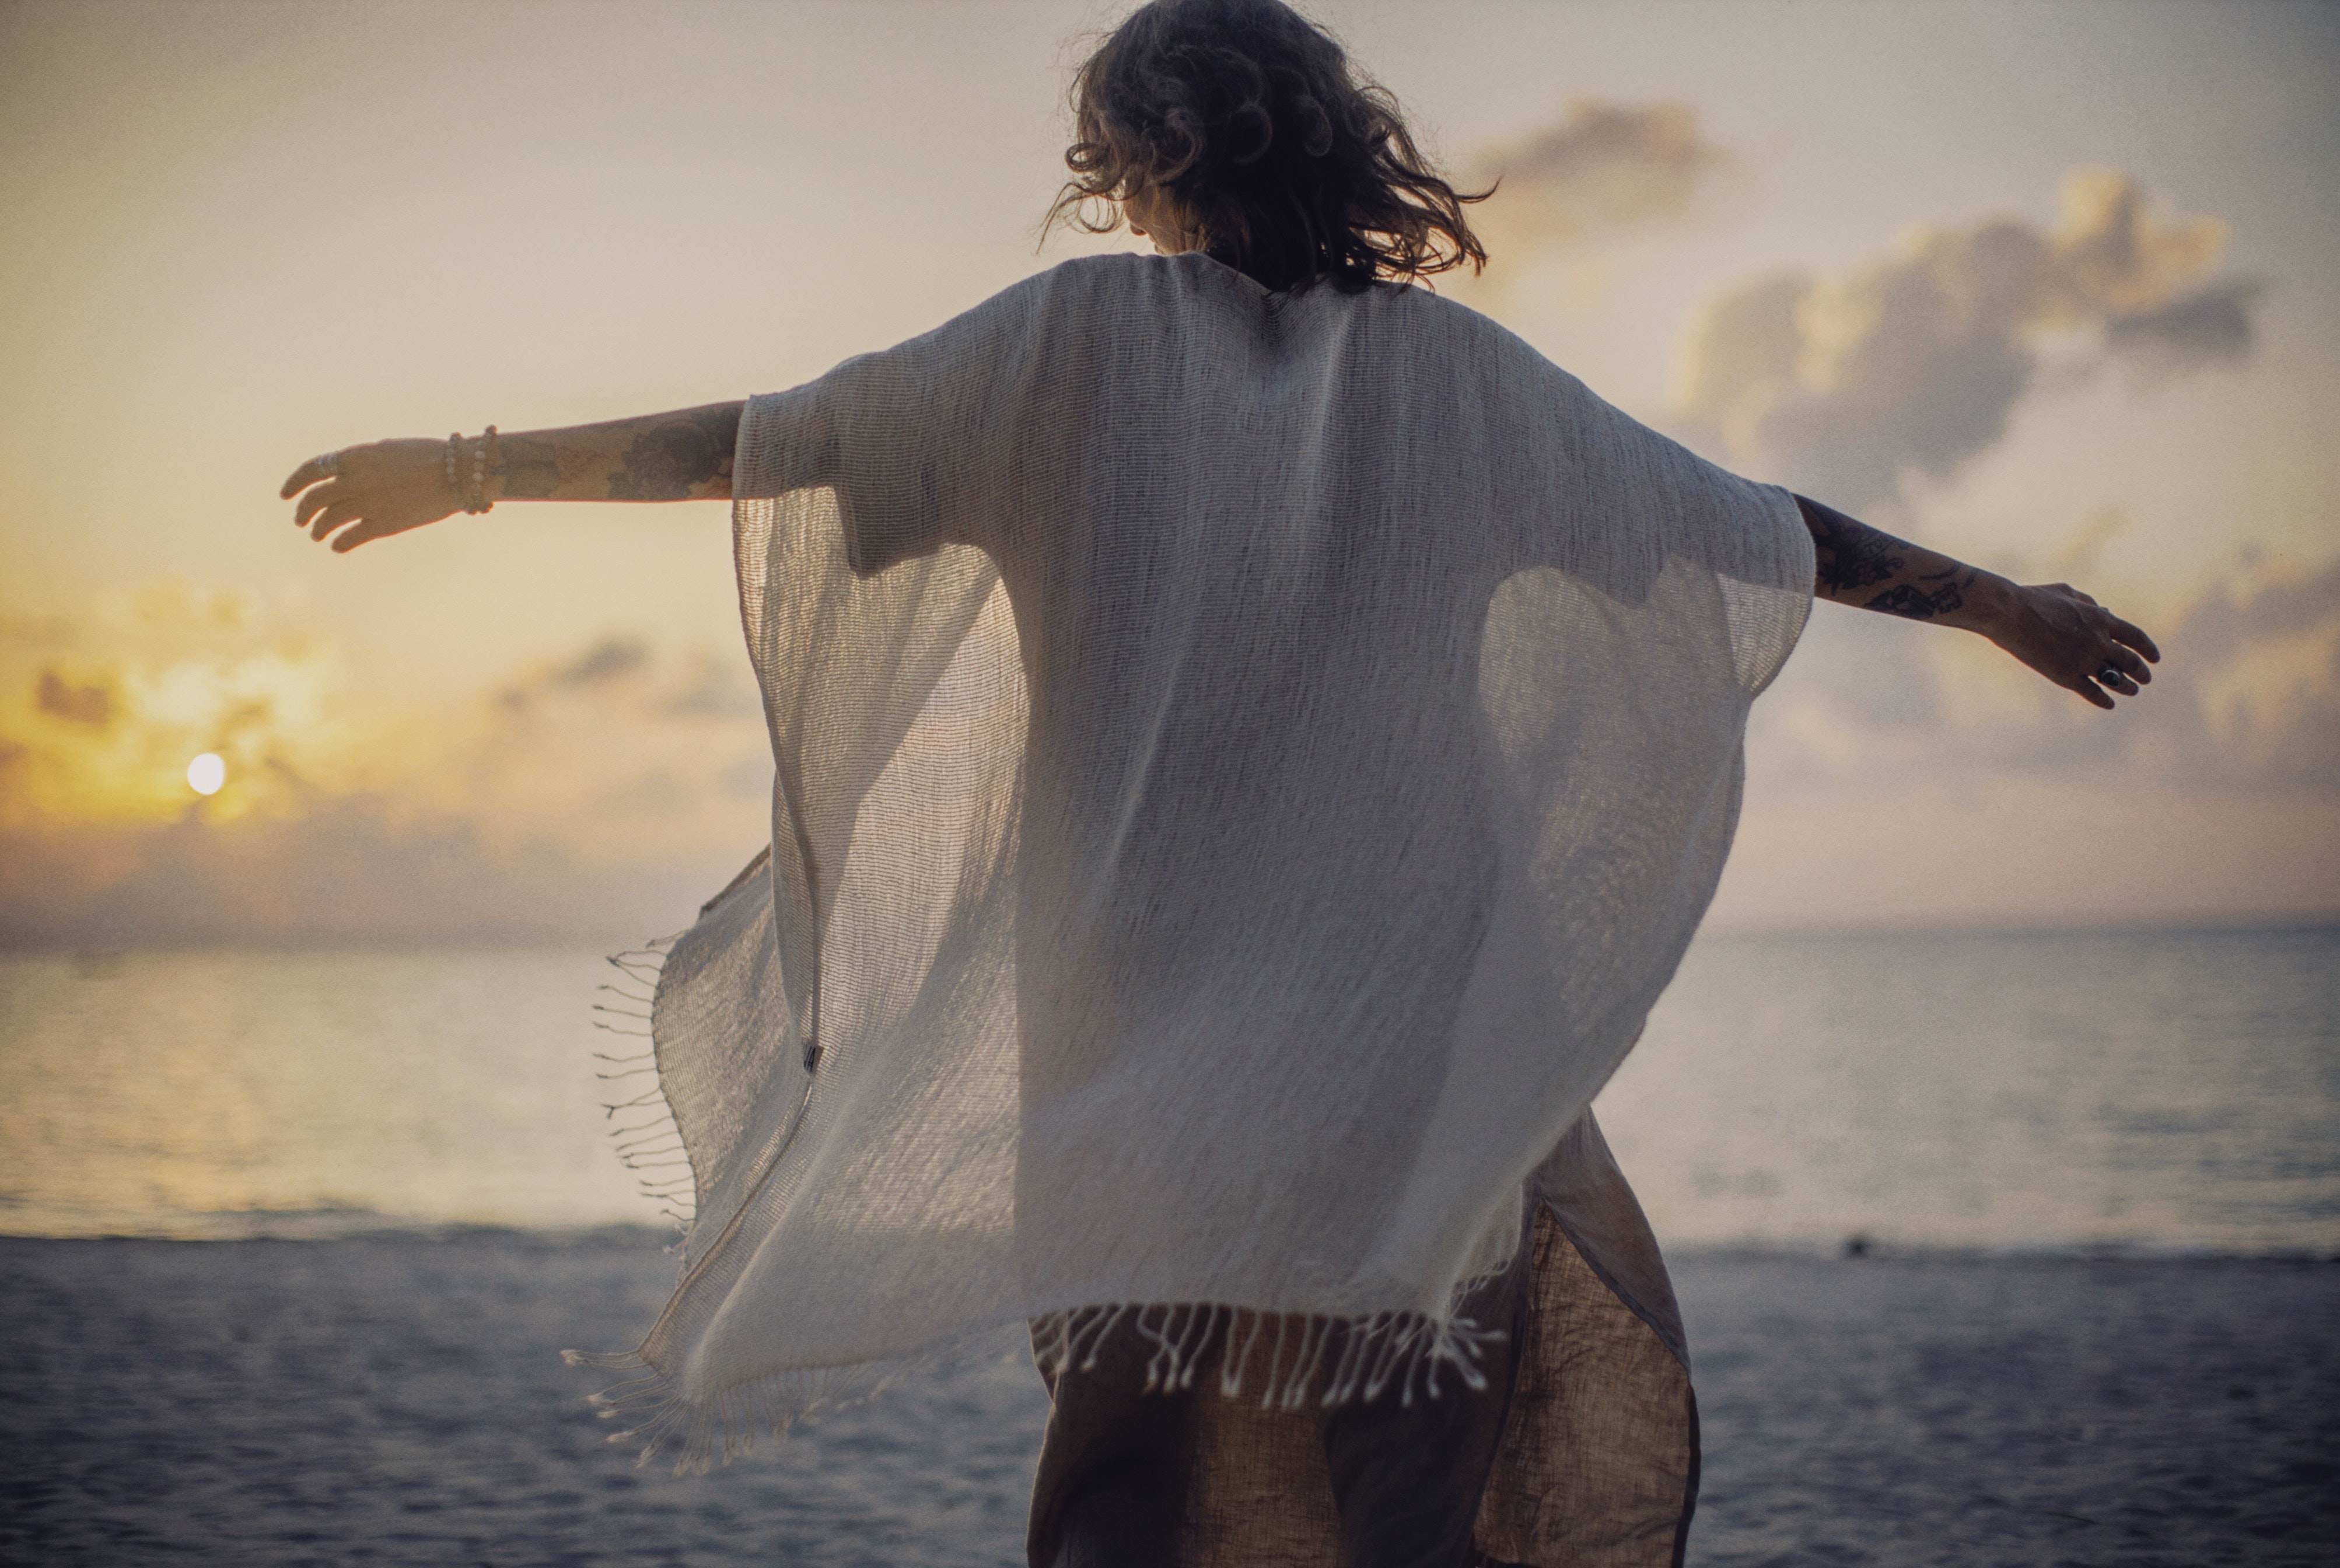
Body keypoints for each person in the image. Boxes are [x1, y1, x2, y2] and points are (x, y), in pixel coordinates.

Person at [281, 2, 2159, 1563]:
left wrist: (469, 465)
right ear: (1342, 153)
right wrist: (1993, 599)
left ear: (1134, 163)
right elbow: (1751, 534)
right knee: (1405, 1453)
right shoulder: (1467, 391)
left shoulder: (1061, 352)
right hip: (1400, 994)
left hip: (1126, 995)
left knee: (1119, 1452)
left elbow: (763, 444)